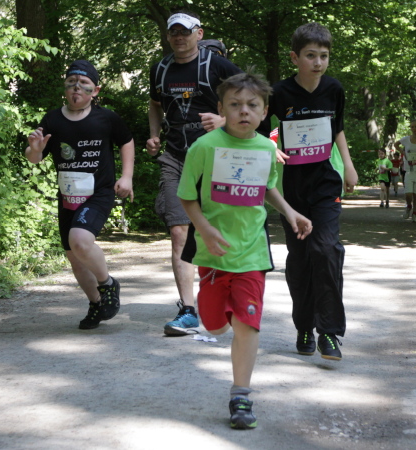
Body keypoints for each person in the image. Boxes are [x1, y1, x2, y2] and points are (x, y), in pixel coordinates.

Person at [178, 71, 312, 429]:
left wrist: (290, 212)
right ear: (221, 109)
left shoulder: (267, 148)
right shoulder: (204, 147)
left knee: (247, 324)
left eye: (252, 105)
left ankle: (241, 395)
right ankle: (217, 315)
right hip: (214, 254)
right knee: (215, 326)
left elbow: (267, 188)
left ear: (265, 111)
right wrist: (205, 230)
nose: (244, 111)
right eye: (235, 105)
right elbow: (187, 196)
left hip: (252, 253)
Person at [260, 22, 358, 361]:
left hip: (326, 181)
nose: (318, 62)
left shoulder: (334, 89)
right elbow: (259, 130)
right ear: (294, 58)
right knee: (300, 258)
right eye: (311, 56)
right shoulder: (279, 92)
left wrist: (348, 165)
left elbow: (337, 128)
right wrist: (270, 146)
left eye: (324, 56)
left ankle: (329, 332)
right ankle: (304, 325)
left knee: (326, 249)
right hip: (292, 186)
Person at [147, 10, 242, 336]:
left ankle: (227, 294)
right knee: (179, 231)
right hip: (175, 158)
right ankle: (188, 310)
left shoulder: (219, 66)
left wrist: (225, 121)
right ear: (168, 36)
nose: (179, 37)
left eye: (185, 32)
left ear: (198, 34)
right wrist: (154, 134)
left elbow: (252, 100)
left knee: (221, 230)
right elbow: (155, 104)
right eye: (173, 32)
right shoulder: (160, 69)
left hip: (216, 158)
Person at [25, 60, 135, 329]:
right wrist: (35, 149)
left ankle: (108, 284)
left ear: (95, 91)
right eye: (71, 82)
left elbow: (126, 141)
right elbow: (34, 157)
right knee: (74, 257)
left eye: (84, 83)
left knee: (80, 240)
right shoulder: (53, 119)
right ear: (65, 88)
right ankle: (97, 304)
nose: (77, 87)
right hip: (68, 196)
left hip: (99, 193)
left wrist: (127, 177)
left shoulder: (106, 118)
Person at [394, 120, 416, 222]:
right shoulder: (406, 139)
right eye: (412, 127)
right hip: (408, 169)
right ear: (410, 128)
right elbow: (396, 144)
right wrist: (402, 152)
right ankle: (409, 206)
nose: (414, 129)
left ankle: (415, 213)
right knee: (408, 193)